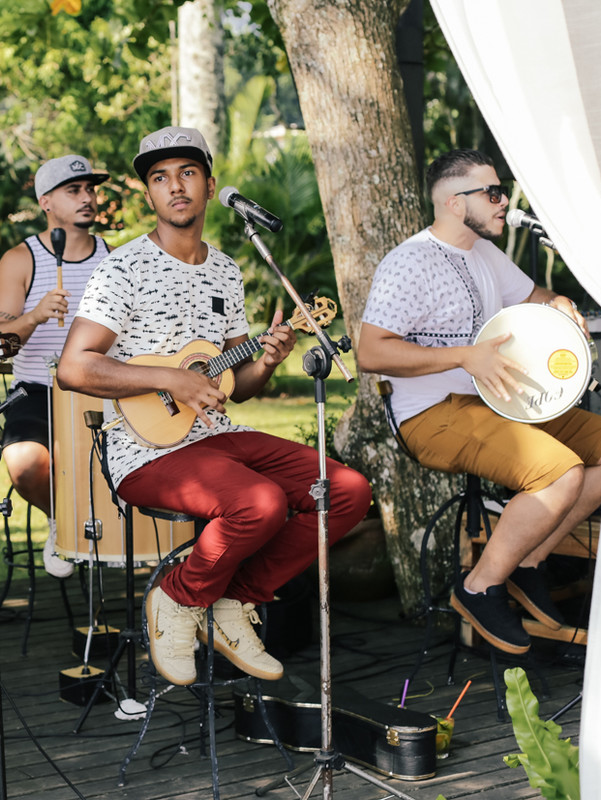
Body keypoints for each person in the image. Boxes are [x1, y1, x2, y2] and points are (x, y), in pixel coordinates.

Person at [57, 127, 372, 685]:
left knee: (345, 491)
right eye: (159, 178)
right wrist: (170, 380)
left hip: (215, 436)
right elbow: (74, 366)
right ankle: (178, 597)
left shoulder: (226, 270)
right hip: (143, 450)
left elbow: (237, 382)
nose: (174, 186)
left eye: (187, 173)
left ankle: (232, 601)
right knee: (260, 501)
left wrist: (269, 359)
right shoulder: (122, 269)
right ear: (149, 196)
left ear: (208, 185)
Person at [358, 148, 601, 655]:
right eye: (493, 193)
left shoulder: (483, 253)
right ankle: (479, 587)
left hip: (500, 401)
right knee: (559, 472)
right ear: (455, 202)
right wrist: (465, 357)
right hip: (432, 415)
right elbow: (371, 351)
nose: (504, 202)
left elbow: (532, 296)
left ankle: (526, 561)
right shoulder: (409, 262)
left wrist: (558, 302)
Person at [0, 154, 112, 579]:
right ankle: (66, 522)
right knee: (22, 461)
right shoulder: (22, 259)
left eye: (90, 189)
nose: (87, 198)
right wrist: (36, 315)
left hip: (103, 388)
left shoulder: (114, 258)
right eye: (73, 190)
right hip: (39, 390)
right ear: (46, 201)